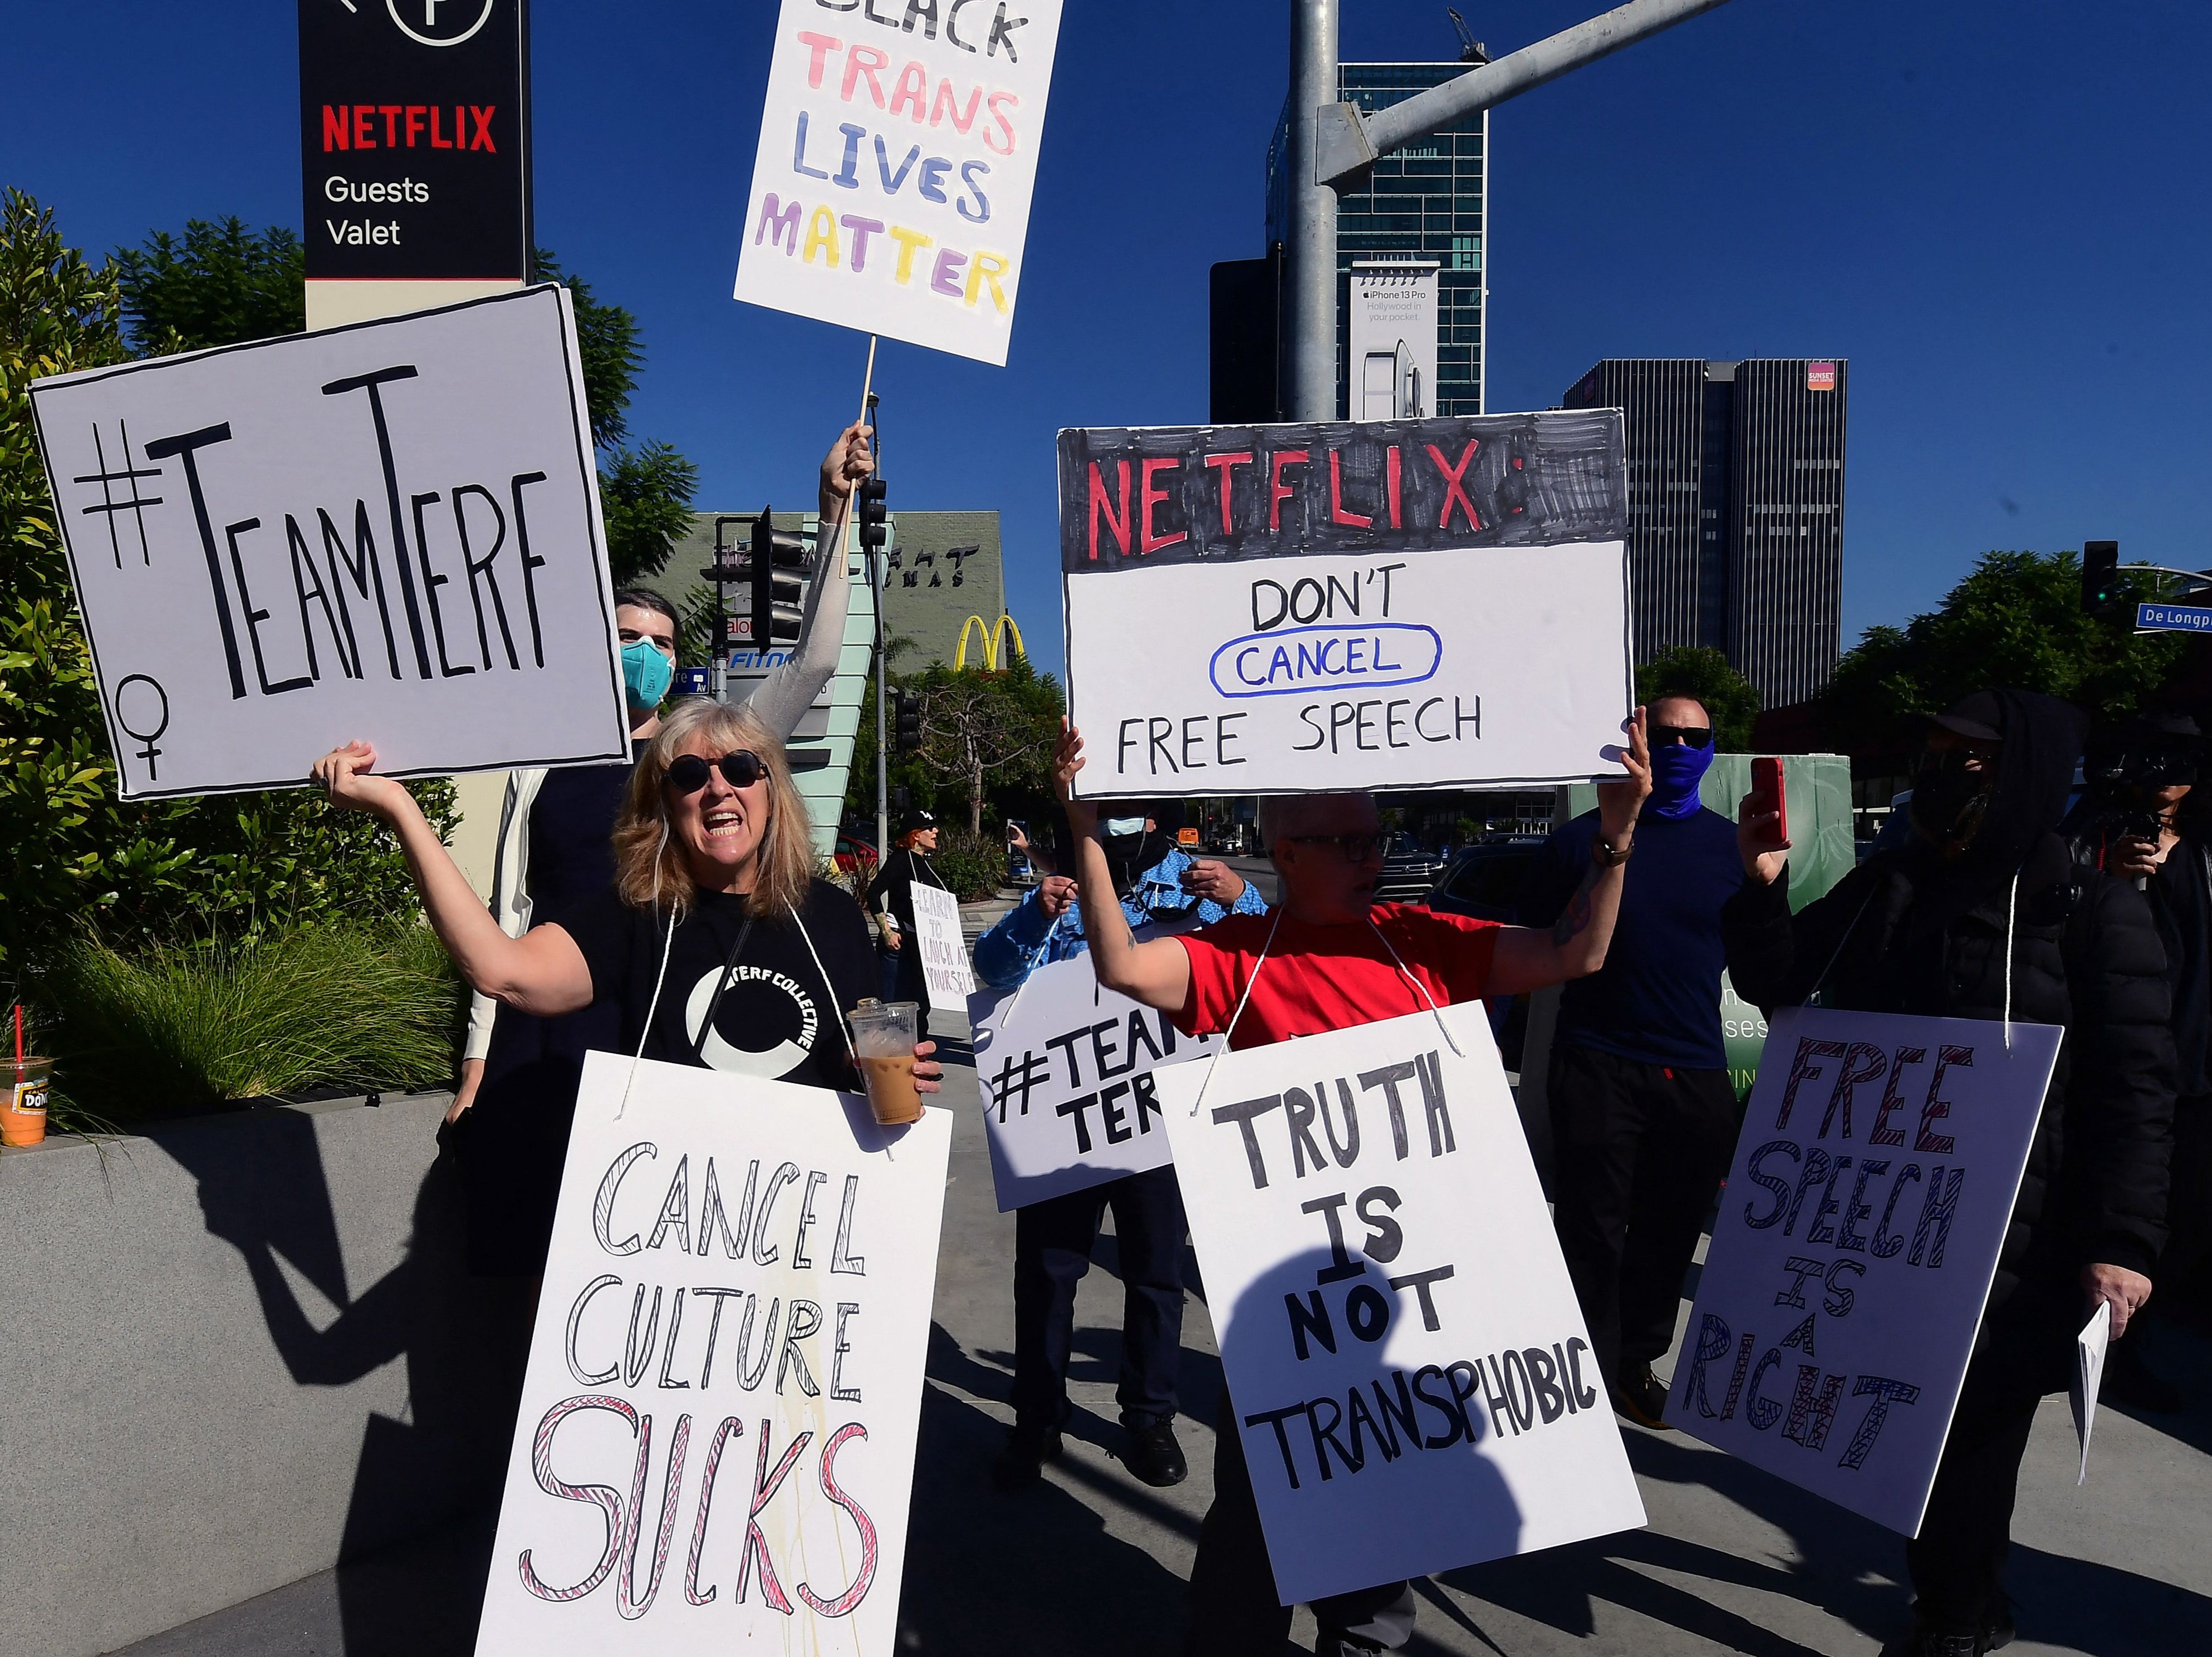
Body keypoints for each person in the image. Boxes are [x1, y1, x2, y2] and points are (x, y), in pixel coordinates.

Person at [1056, 716, 1652, 1657]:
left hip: (1412, 1297)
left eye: (1377, 838)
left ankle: (1364, 1637)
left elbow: (1572, 952)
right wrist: (1085, 832)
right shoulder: (1242, 954)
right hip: (1287, 1308)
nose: (1373, 857)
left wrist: (1615, 835)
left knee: (1387, 1494)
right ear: (1286, 852)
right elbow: (1124, 965)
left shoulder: (1423, 941)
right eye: (1347, 842)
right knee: (1263, 1502)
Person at [1722, 690, 2173, 1657]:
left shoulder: (2088, 911)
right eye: (1933, 757)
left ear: (2023, 775)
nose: (1943, 778)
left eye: (1969, 761)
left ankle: (1957, 1615)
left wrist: (2121, 1242)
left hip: (2016, 1238)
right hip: (1883, 1230)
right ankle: (1955, 1595)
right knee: (1896, 1429)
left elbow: (2135, 1093)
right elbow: (1777, 983)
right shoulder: (1888, 885)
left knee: (1970, 1440)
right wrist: (1760, 888)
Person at [441, 425, 875, 1274]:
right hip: (547, 1015)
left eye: (663, 642)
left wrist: (833, 509)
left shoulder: (705, 751)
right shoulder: (539, 762)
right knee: (532, 1245)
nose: (645, 652)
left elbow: (816, 659)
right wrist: (476, 1061)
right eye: (626, 635)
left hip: (652, 1016)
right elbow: (510, 913)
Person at [311, 697, 943, 1106]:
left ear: (771, 789)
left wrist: (884, 1074)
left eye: (741, 768)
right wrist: (401, 808)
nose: (717, 788)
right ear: (665, 805)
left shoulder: (831, 916)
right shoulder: (634, 915)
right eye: (690, 776)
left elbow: (860, 1060)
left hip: (798, 1221)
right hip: (669, 1225)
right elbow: (503, 972)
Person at [972, 802, 1267, 1492]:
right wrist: (1034, 914)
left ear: (1157, 812)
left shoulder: (1197, 883)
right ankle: (1038, 1415)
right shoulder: (1065, 881)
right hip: (1061, 1122)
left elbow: (1263, 959)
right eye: (1107, 808)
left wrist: (1241, 896)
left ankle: (1149, 1416)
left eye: (1132, 808)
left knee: (1156, 1274)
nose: (1121, 820)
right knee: (1046, 1274)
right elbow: (992, 972)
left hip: (1161, 1120)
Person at [1515, 693, 1747, 1428]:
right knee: (1592, 1227)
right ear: (1632, 743)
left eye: (1693, 737)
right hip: (1597, 1061)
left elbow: (1766, 959)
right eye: (1663, 735)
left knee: (1671, 1230)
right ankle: (1582, 1371)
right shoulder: (1576, 842)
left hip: (1695, 1067)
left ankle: (1633, 1363)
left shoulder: (1731, 848)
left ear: (1712, 748)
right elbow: (1530, 942)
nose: (1677, 749)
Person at [2063, 711, 2210, 1410]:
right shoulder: (2096, 830)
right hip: (2122, 1052)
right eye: (2158, 761)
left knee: (2180, 1216)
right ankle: (2105, 1355)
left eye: (2182, 765)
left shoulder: (2202, 846)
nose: (2167, 779)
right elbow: (2056, 918)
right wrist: (2108, 874)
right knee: (2116, 1205)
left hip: (2194, 1057)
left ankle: (2137, 1342)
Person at [869, 806, 950, 1016]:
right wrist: (887, 932)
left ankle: (919, 1036)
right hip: (899, 943)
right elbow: (874, 893)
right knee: (894, 1002)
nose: (936, 831)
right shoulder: (901, 859)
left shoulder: (923, 862)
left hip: (919, 943)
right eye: (929, 828)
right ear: (915, 835)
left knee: (921, 1003)